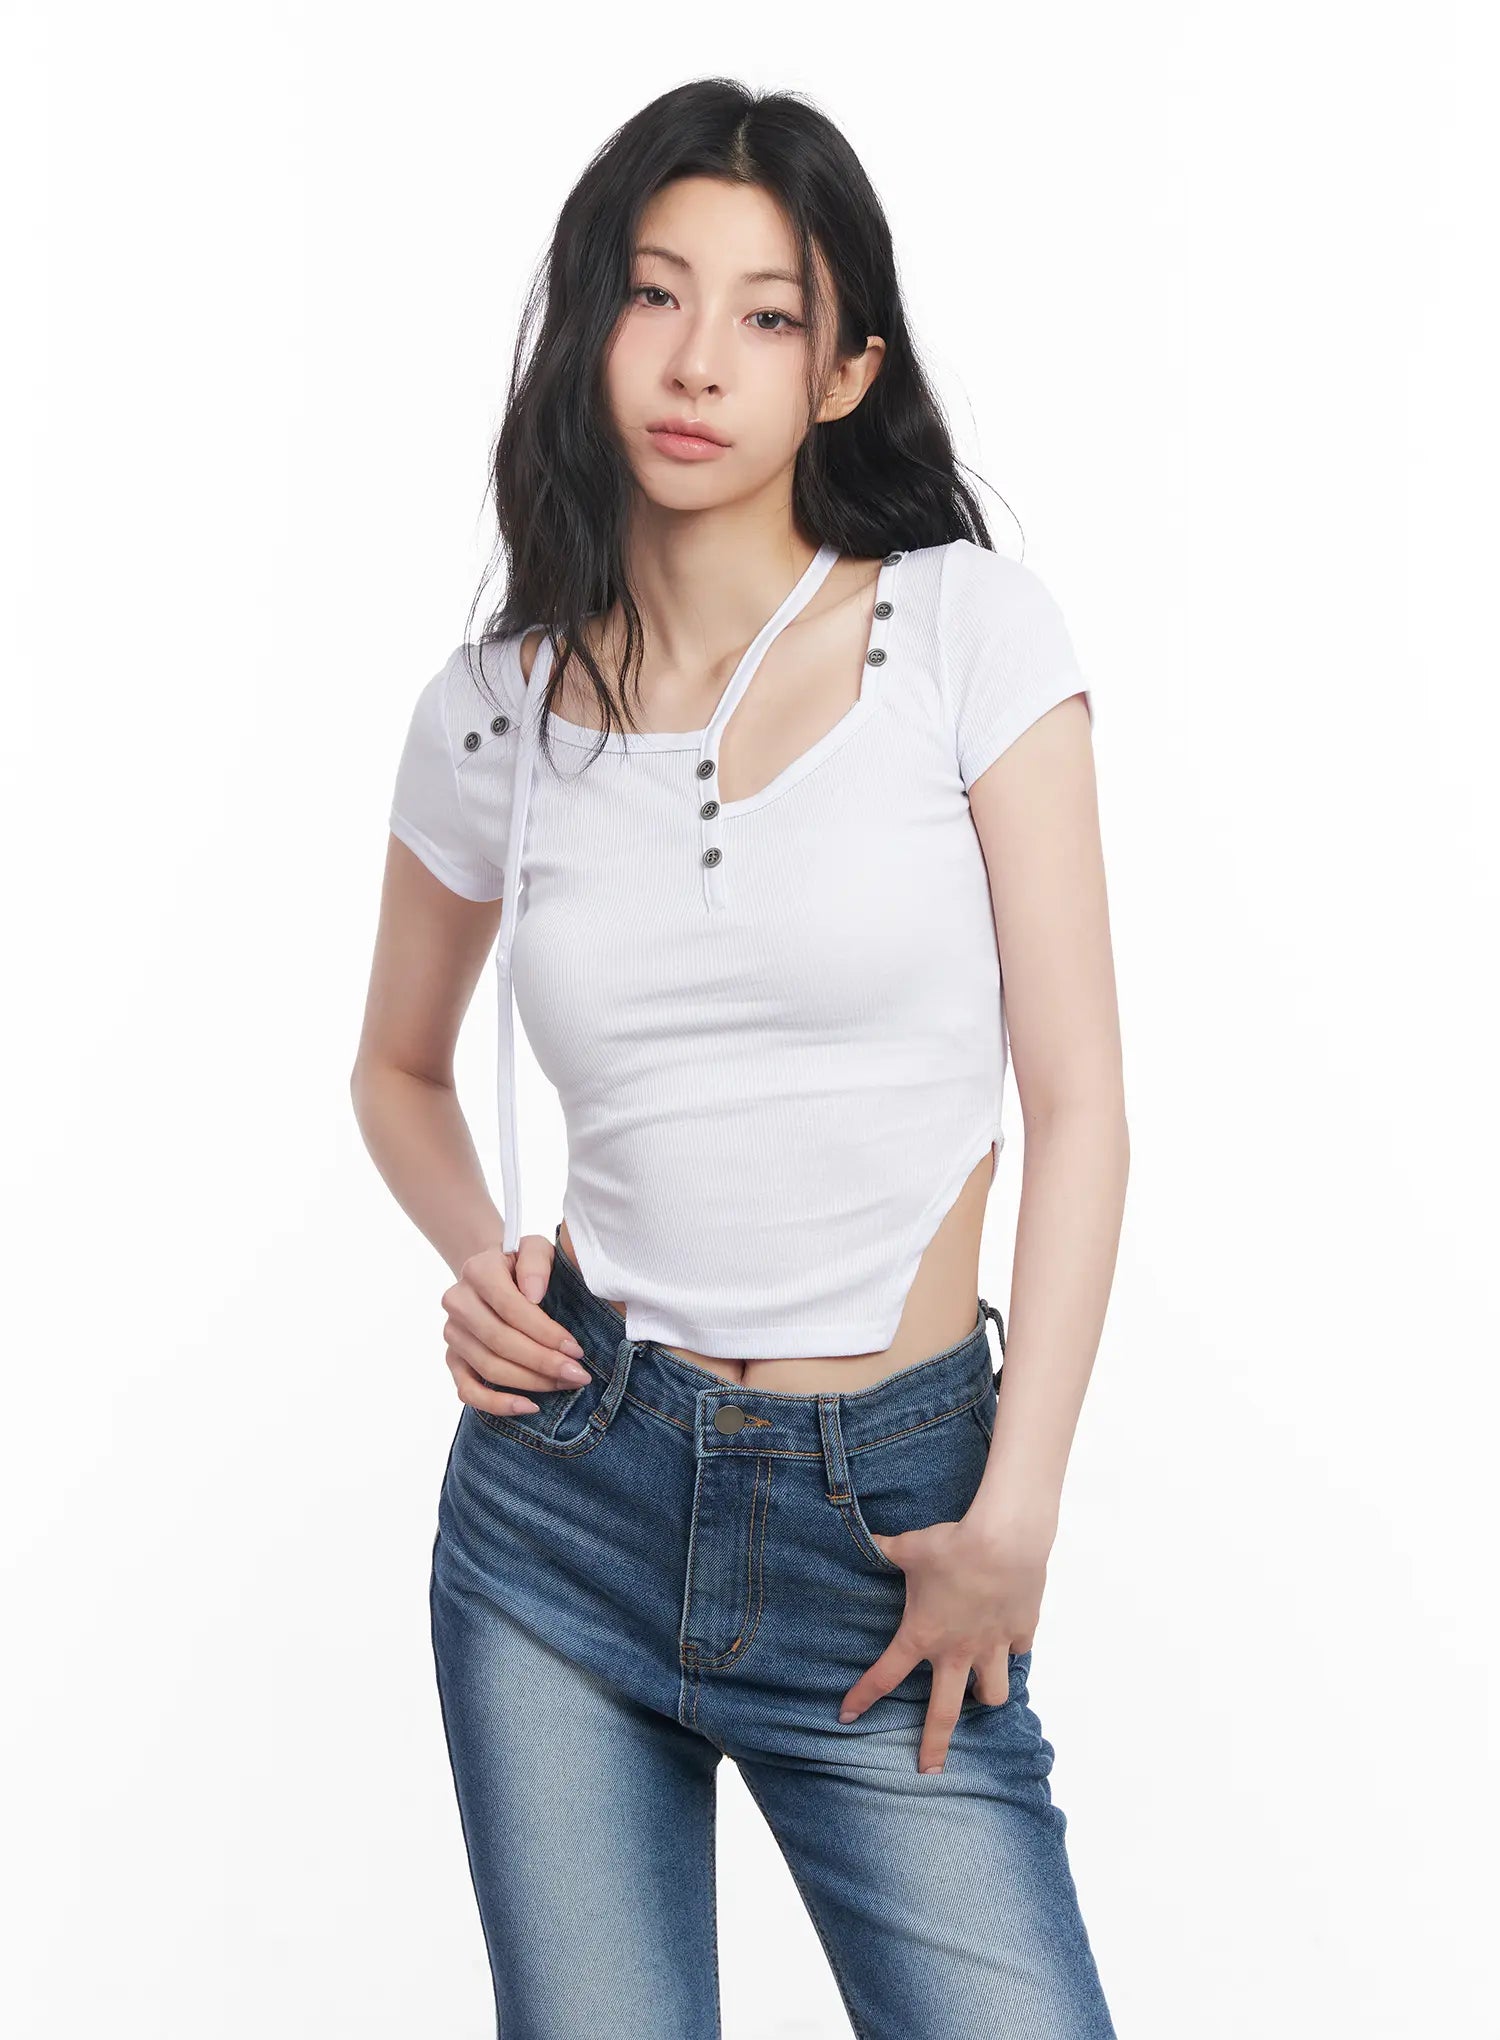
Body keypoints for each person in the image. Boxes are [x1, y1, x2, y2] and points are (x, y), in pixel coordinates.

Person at [352, 77, 1126, 2040]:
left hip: (900, 1520)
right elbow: (397, 1070)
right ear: (590, 323)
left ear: (847, 371)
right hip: (566, 1504)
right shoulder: (491, 711)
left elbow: (1081, 1106)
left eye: (769, 316)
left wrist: (1016, 1512)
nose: (698, 361)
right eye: (654, 293)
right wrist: (482, 1261)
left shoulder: (965, 635)